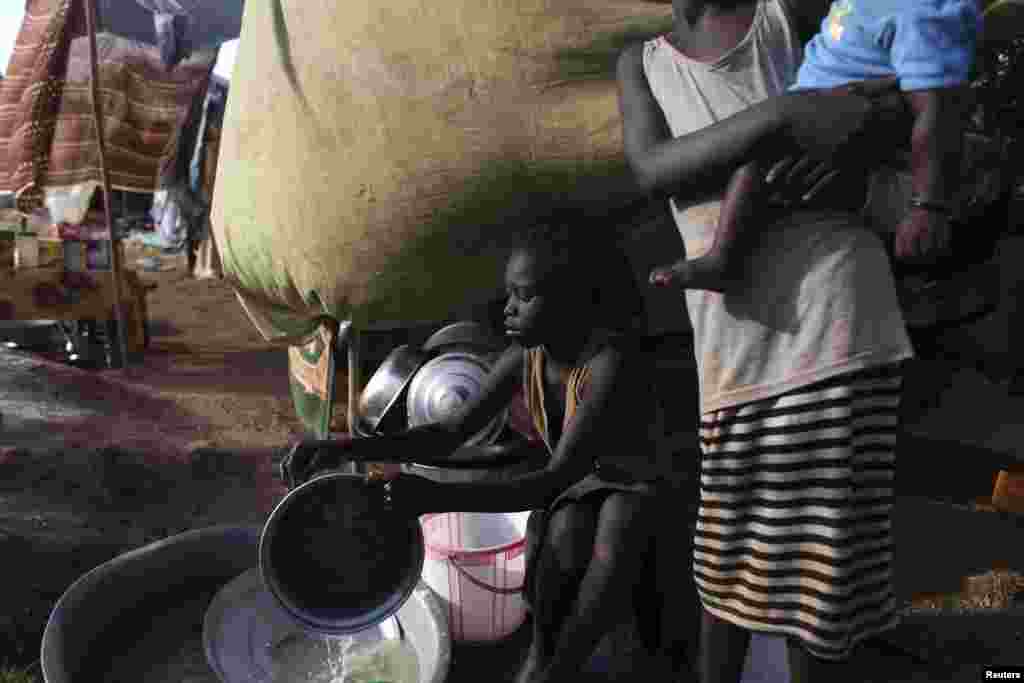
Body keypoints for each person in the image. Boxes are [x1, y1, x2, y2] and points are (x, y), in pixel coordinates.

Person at [617, 0, 929, 681]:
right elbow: (654, 170)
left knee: (822, 583)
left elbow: (894, 99)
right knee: (724, 561)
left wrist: (856, 135)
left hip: (839, 323)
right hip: (733, 349)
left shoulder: (788, 14)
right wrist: (785, 118)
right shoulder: (641, 63)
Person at [282, 217, 672, 683]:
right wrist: (342, 446)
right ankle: (543, 653)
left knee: (615, 538)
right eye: (509, 293)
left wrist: (435, 496)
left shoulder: (607, 365)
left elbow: (551, 479)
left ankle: (559, 668)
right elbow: (451, 430)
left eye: (525, 296)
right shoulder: (527, 354)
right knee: (563, 542)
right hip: (581, 483)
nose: (508, 309)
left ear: (576, 300)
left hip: (638, 481)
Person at [649, 0, 978, 293]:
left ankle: (723, 258)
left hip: (841, 127)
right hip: (810, 113)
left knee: (757, 166)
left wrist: (928, 205)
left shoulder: (923, 10)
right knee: (764, 172)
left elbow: (937, 110)